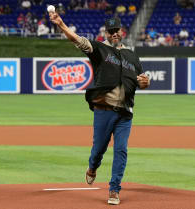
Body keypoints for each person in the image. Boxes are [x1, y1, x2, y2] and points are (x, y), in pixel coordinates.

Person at [48, 12, 150, 205]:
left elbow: (142, 80)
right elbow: (77, 40)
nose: (114, 34)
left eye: (116, 31)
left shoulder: (132, 56)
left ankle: (114, 190)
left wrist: (146, 82)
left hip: (125, 113)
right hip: (104, 109)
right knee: (98, 150)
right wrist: (61, 24)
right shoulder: (99, 49)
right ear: (106, 32)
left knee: (121, 150)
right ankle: (92, 167)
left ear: (122, 31)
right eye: (111, 31)